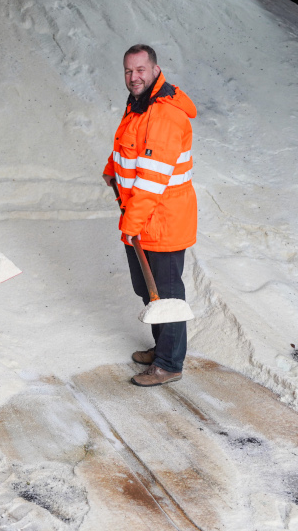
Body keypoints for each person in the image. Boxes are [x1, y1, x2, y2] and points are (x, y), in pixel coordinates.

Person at [102, 44, 197, 387]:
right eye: (128, 71)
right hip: (143, 217)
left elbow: (152, 182)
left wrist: (131, 224)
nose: (133, 77)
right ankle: (162, 348)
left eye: (140, 70)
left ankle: (170, 363)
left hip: (163, 219)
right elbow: (131, 150)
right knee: (148, 288)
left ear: (156, 70)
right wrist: (112, 167)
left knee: (166, 294)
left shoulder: (165, 116)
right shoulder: (140, 105)